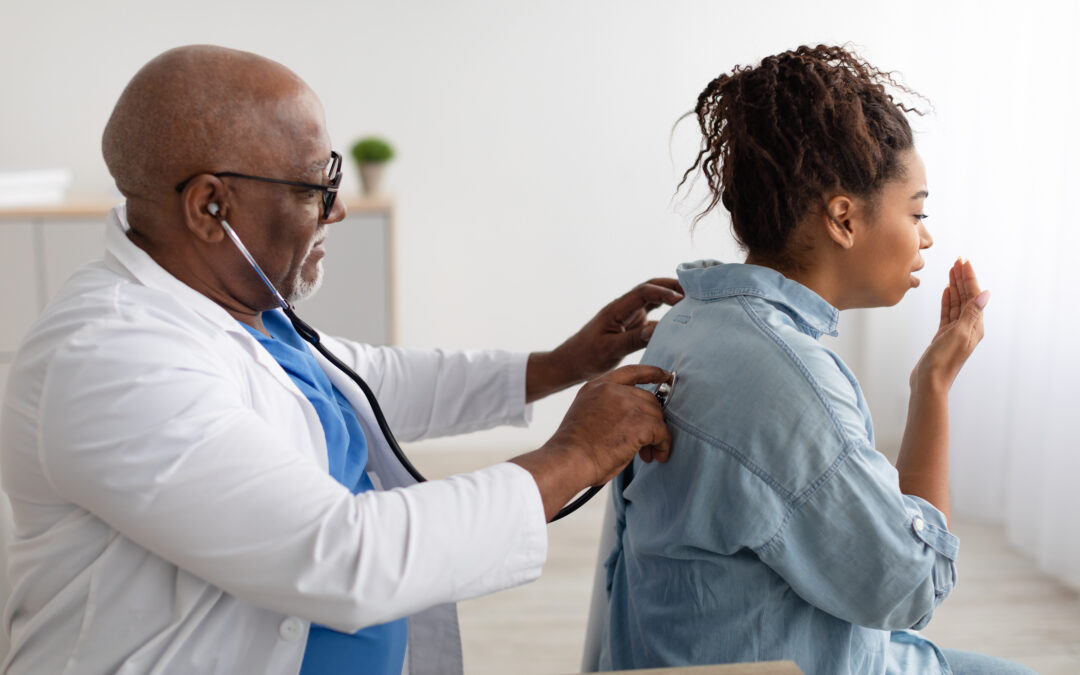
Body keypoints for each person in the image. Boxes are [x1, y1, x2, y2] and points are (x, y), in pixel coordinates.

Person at [0, 45, 682, 675]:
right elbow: (346, 556)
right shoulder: (110, 362)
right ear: (212, 206)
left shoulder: (226, 305)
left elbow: (369, 382)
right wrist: (571, 457)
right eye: (315, 186)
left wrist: (561, 363)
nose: (339, 210)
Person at [598, 45, 1034, 675]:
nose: (927, 237)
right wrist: (932, 387)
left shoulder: (693, 319)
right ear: (843, 217)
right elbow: (911, 587)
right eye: (918, 212)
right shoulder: (787, 380)